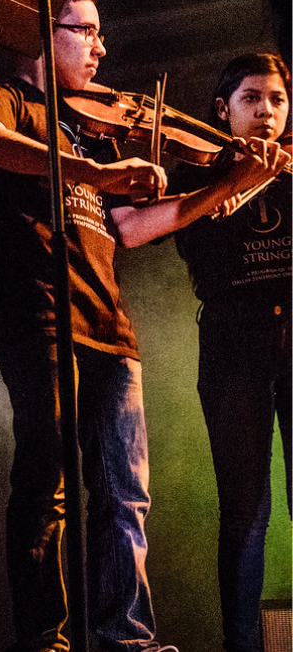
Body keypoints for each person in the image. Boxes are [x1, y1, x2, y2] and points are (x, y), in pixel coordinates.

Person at [0, 0, 284, 652]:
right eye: (85, 30)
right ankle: (45, 641)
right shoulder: (11, 100)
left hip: (109, 326)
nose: (102, 48)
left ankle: (125, 641)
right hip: (43, 317)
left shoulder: (97, 129)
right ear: (40, 34)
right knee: (46, 487)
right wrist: (98, 177)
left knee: (124, 500)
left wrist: (225, 185)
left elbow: (135, 229)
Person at [137, 53, 288, 652]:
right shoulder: (198, 175)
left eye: (278, 100)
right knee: (245, 512)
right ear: (223, 111)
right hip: (233, 349)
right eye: (252, 99)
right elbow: (171, 233)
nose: (267, 112)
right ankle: (242, 644)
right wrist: (233, 182)